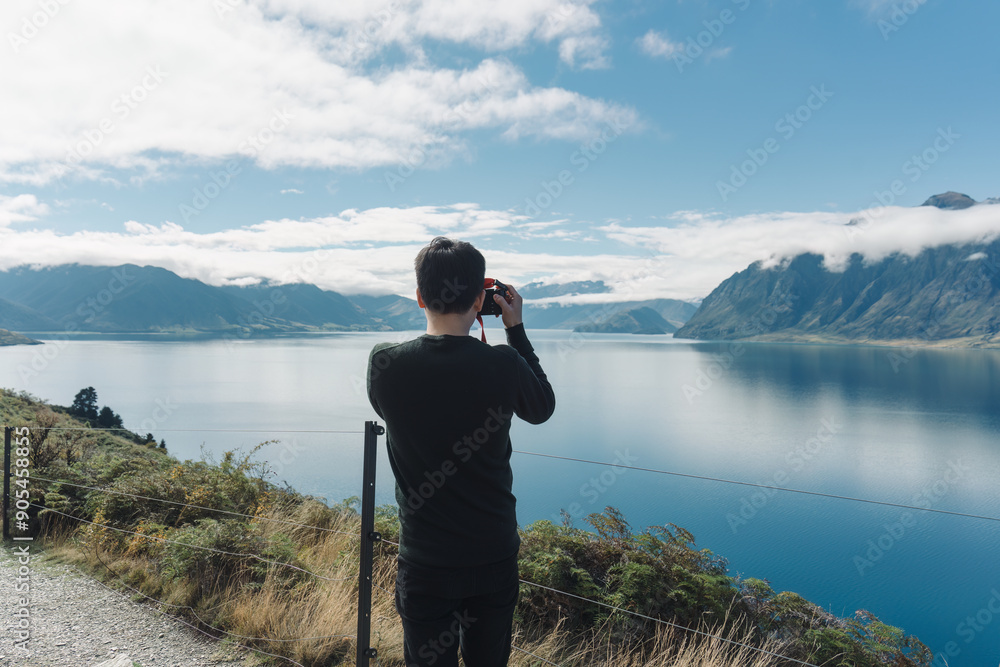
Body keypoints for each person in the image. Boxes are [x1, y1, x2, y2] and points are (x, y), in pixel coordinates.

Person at [367, 236, 555, 666]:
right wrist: (516, 330)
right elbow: (541, 408)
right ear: (479, 299)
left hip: (425, 562)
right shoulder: (504, 365)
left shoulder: (385, 363)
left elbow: (394, 406)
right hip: (492, 556)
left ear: (419, 297)